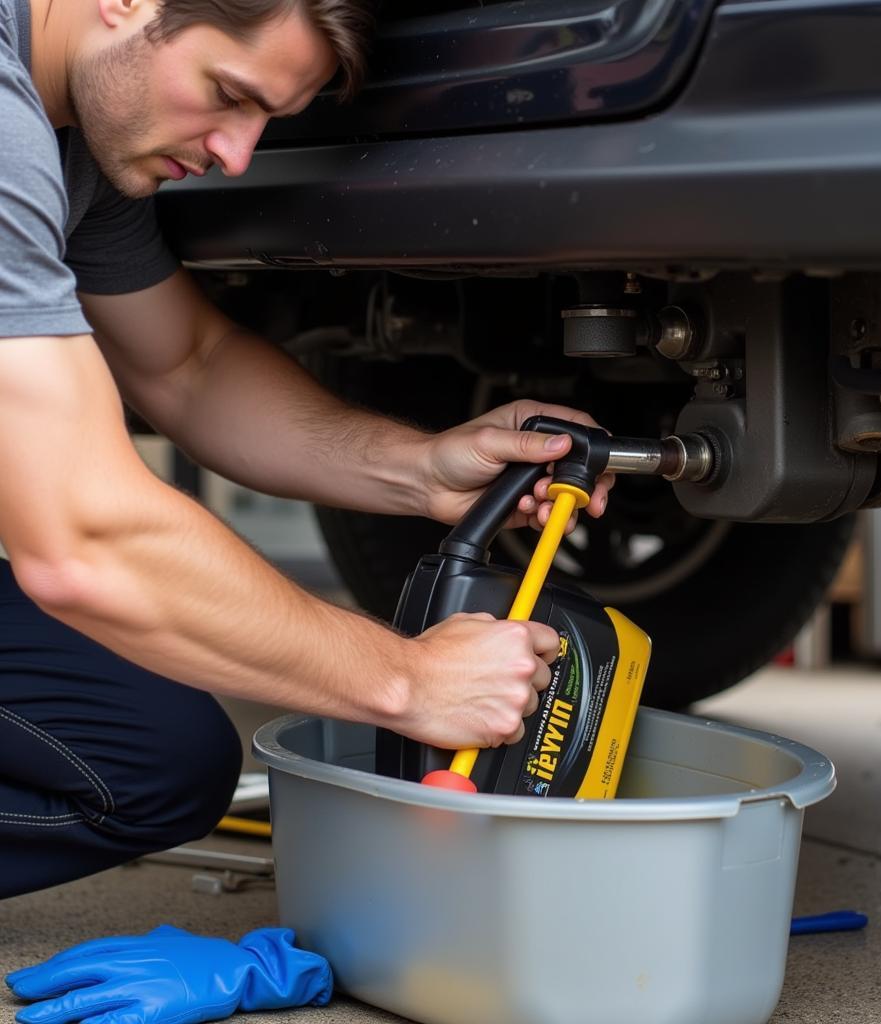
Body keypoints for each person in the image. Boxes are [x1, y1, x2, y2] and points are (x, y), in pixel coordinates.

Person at [0, 0, 614, 902]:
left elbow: (188, 366)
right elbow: (83, 546)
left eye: (265, 122)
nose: (234, 154)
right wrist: (404, 679)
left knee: (152, 763)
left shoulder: (77, 142)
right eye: (227, 94)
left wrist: (422, 468)